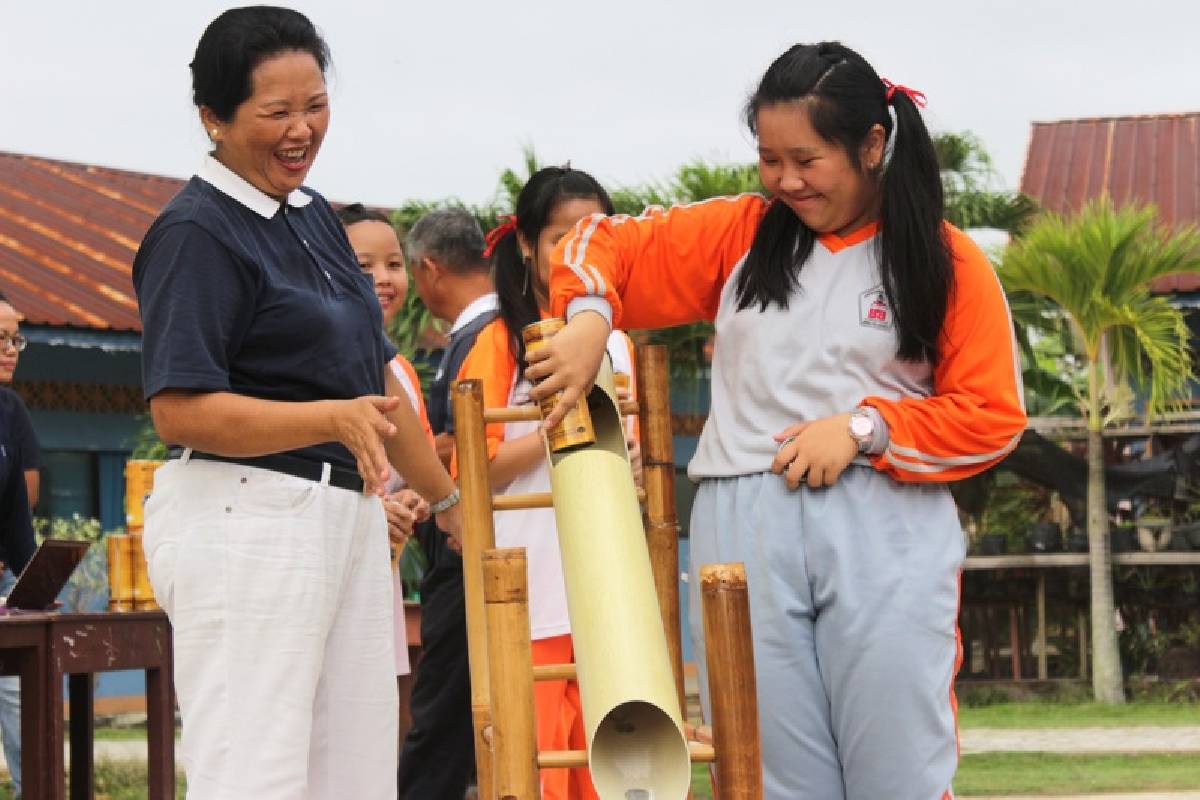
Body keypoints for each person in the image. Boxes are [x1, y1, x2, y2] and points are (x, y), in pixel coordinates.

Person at [527, 42, 1027, 800]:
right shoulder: (741, 237)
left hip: (881, 524)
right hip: (743, 523)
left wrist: (865, 430)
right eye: (769, 159)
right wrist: (593, 316)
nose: (786, 180)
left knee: (898, 766)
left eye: (807, 158)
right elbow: (603, 243)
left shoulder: (942, 260)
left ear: (872, 145)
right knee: (765, 773)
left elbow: (992, 416)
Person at [131, 9, 461, 799]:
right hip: (247, 521)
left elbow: (377, 385)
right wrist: (327, 419)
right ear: (212, 117)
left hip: (342, 518)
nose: (301, 129)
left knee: (353, 772)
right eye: (276, 113)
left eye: (314, 105)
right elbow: (179, 410)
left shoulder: (313, 217)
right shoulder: (194, 233)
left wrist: (452, 503)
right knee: (257, 771)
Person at [460, 165, 640, 800]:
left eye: (594, 235)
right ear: (527, 245)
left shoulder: (616, 341)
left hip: (609, 581)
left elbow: (633, 450)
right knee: (537, 765)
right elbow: (471, 465)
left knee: (616, 760)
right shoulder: (502, 340)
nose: (576, 254)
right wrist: (561, 420)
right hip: (529, 584)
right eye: (561, 238)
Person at [397, 207, 497, 800]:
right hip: (462, 540)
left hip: (469, 543)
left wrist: (437, 459)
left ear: (430, 269)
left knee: (443, 708)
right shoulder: (475, 334)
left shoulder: (484, 336)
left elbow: (476, 440)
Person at [336, 201, 432, 745]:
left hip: (383, 567)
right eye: (364, 264)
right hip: (334, 557)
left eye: (393, 264)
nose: (382, 279)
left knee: (380, 725)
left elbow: (410, 473)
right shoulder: (319, 358)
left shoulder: (402, 370)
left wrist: (417, 499)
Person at [0, 291, 37, 800]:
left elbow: (15, 516)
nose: (10, 349)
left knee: (22, 701)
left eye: (14, 338)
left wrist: (33, 585)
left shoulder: (7, 408)